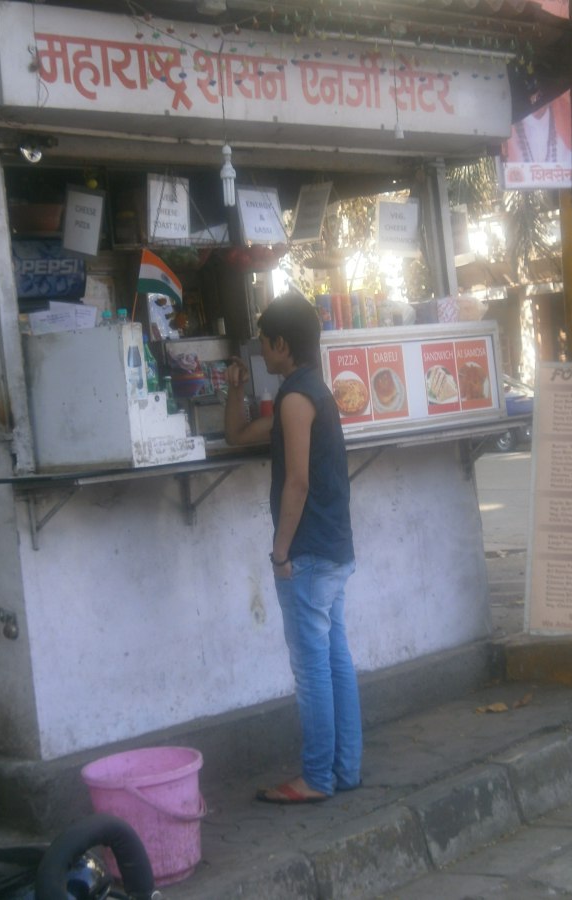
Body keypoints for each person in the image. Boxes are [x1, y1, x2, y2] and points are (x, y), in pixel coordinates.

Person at [224, 292, 362, 804]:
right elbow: (239, 435)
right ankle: (344, 770)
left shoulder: (296, 399)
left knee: (312, 671)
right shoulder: (309, 392)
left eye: (264, 342)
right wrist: (234, 390)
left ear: (282, 344)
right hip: (333, 548)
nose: (260, 350)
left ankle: (317, 778)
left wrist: (280, 552)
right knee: (335, 661)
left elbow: (297, 483)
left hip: (308, 553)